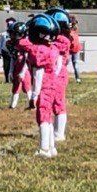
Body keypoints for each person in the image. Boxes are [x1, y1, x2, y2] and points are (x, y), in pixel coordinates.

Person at [23, 14, 62, 158]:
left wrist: (34, 95)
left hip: (44, 86)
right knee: (49, 116)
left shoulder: (38, 50)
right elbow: (58, 65)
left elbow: (38, 74)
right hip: (53, 83)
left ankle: (44, 149)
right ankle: (52, 147)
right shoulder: (53, 48)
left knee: (43, 116)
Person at [46, 8, 73, 142]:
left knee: (58, 102)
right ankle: (55, 131)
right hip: (52, 72)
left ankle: (59, 133)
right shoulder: (56, 39)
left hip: (58, 74)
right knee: (51, 102)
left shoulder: (62, 40)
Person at [7, 22, 33, 109]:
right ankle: (12, 105)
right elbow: (13, 58)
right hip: (16, 67)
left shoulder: (24, 43)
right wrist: (10, 71)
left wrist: (23, 71)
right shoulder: (11, 43)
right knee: (15, 86)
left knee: (26, 87)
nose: (12, 36)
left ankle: (32, 104)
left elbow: (27, 58)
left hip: (24, 68)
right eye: (11, 33)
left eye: (14, 34)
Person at [0, 18, 16, 83]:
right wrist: (0, 52)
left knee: (13, 66)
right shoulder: (3, 34)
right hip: (5, 52)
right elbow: (0, 43)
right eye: (9, 24)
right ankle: (6, 79)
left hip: (13, 52)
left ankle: (13, 79)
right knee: (6, 66)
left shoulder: (15, 33)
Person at [68, 16, 83, 83]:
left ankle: (78, 78)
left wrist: (73, 21)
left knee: (75, 64)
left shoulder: (74, 30)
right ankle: (63, 77)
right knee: (66, 63)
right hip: (70, 49)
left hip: (75, 49)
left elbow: (75, 24)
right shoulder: (69, 30)